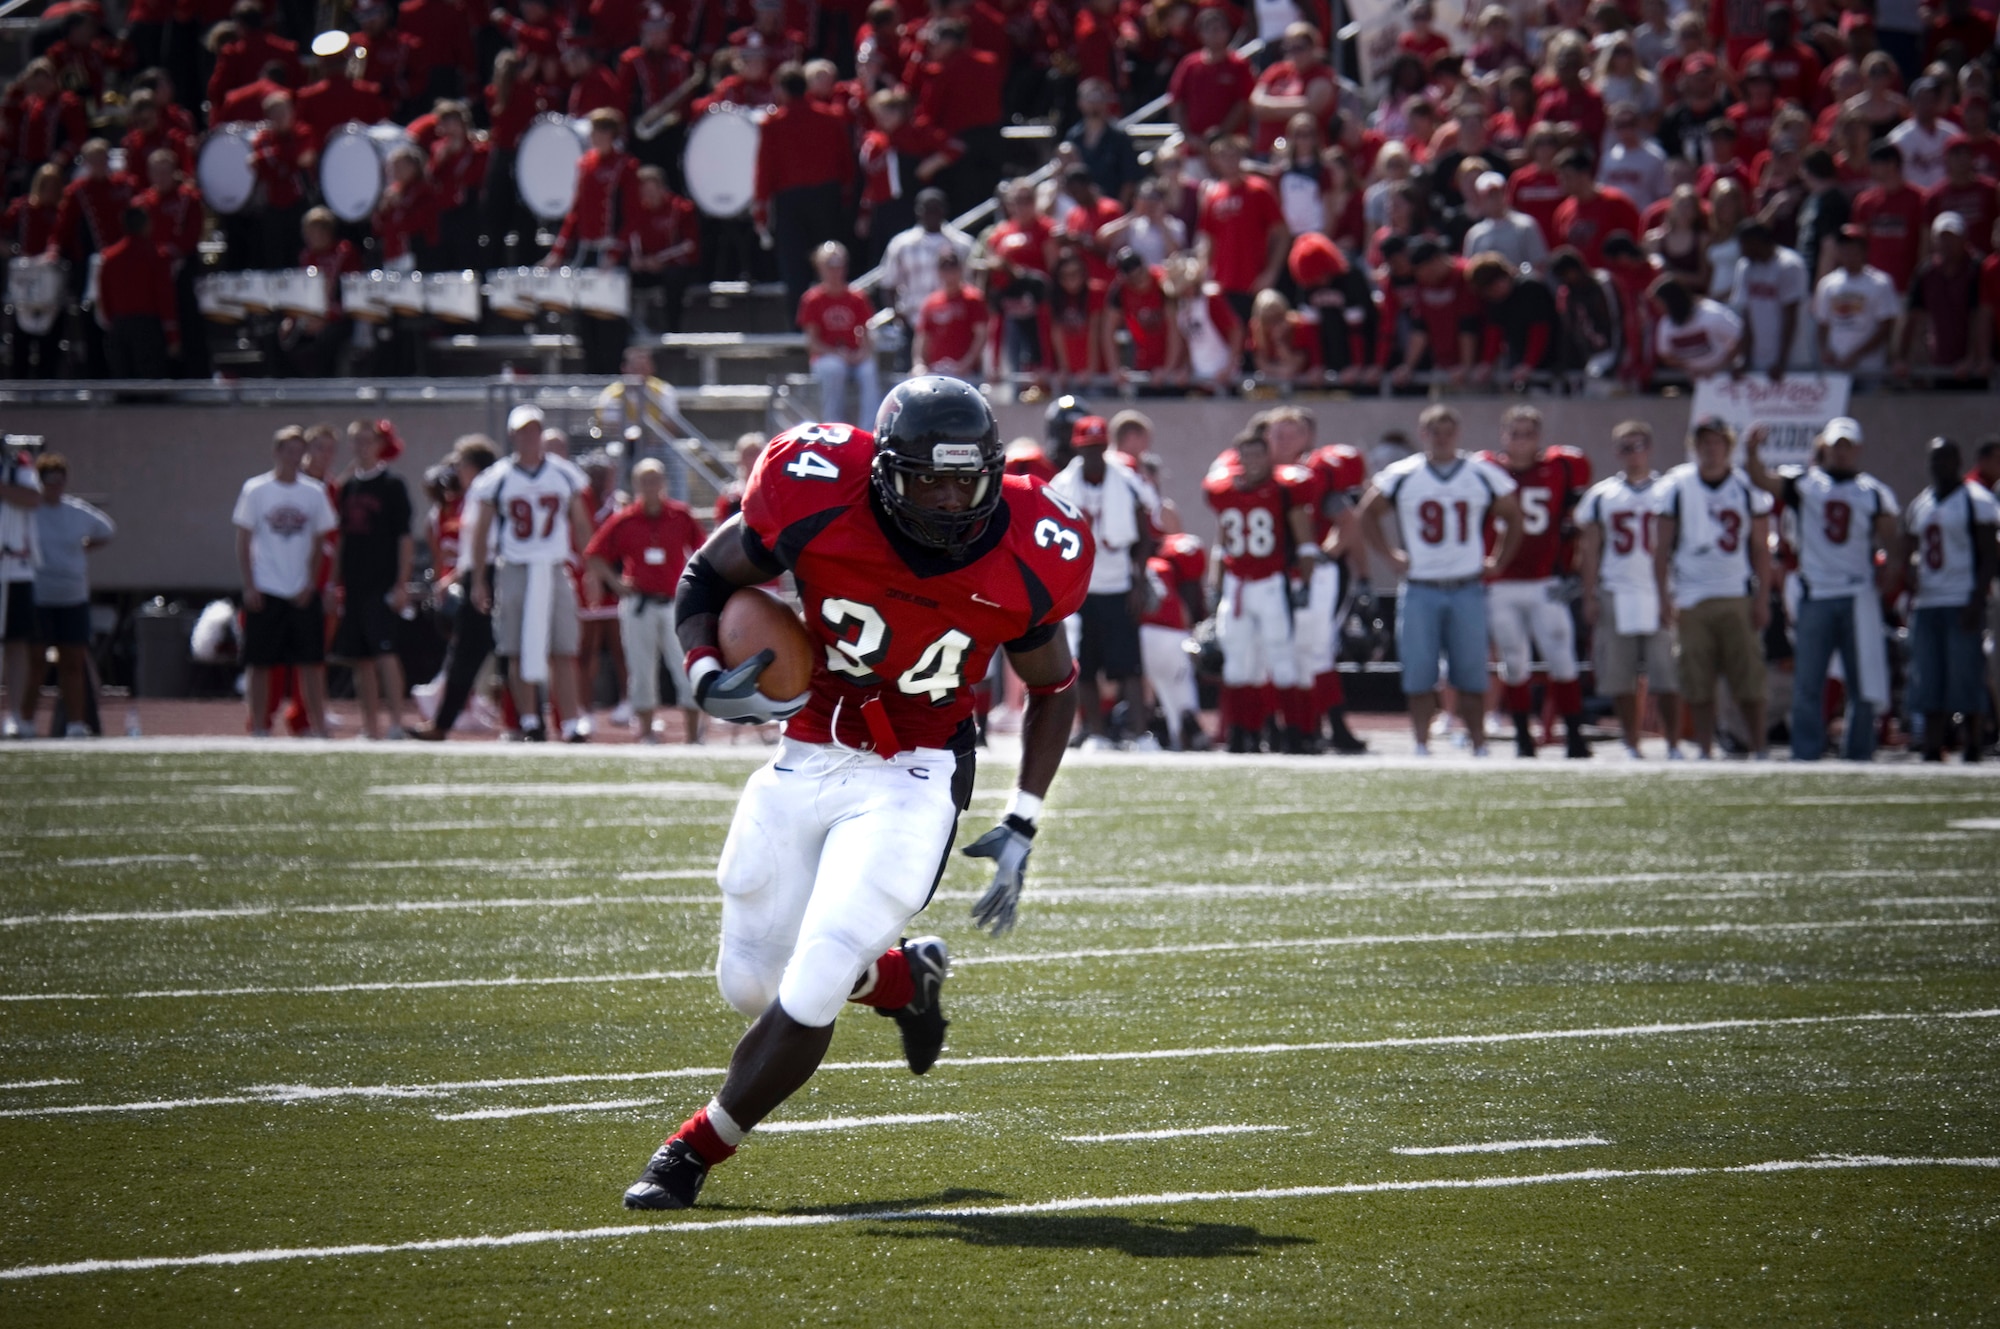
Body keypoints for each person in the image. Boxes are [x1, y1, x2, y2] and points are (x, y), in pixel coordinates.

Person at [620, 377, 1091, 1211]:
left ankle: (692, 1148)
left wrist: (1024, 816)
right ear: (883, 473)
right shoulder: (816, 491)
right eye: (928, 480)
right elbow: (705, 574)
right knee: (751, 982)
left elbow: (1054, 686)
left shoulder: (1031, 544)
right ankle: (904, 981)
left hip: (917, 766)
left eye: (965, 480)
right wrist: (702, 673)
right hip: (811, 742)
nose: (949, 500)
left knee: (816, 974)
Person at [1358, 404, 1522, 757]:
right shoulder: (1404, 473)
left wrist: (1498, 560)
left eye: (1447, 430)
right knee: (1419, 673)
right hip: (1421, 586)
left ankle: (1479, 744)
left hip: (1467, 584)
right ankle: (1421, 744)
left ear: (1457, 434)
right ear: (1423, 434)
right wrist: (1389, 555)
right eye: (1434, 430)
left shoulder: (1481, 472)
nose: (1441, 437)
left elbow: (1513, 515)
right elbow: (1367, 513)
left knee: (1472, 672)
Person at [1745, 418, 1900, 762]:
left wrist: (1891, 568)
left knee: (1862, 682)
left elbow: (1892, 536)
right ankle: (1806, 751)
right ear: (1825, 447)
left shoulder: (1872, 491)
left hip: (1858, 595)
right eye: (1836, 445)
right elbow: (1761, 479)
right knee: (1808, 681)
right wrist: (1752, 451)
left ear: (1857, 449)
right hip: (1816, 594)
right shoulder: (1804, 484)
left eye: (1848, 446)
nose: (1842, 452)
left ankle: (1859, 751)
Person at [462, 405, 596, 742]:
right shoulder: (499, 477)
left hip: (553, 566)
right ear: (512, 435)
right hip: (516, 567)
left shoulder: (564, 473)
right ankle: (529, 720)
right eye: (523, 431)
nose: (529, 437)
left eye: (534, 430)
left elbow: (581, 525)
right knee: (515, 648)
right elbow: (481, 532)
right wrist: (479, 579)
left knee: (563, 649)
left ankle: (568, 722)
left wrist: (590, 569)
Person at [1654, 416, 1775, 760]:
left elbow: (1760, 549)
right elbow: (1660, 548)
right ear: (1695, 446)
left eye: (1717, 442)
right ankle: (1705, 749)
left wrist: (1763, 596)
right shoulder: (1677, 486)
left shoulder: (1745, 488)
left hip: (1736, 591)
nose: (1711, 449)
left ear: (1728, 446)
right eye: (1705, 442)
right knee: (1696, 678)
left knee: (1749, 676)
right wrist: (1664, 597)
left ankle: (1759, 747)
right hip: (1691, 595)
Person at [1479, 405, 1593, 759]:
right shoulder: (1486, 470)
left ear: (1539, 437)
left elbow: (1578, 524)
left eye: (1528, 433)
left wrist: (1574, 568)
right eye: (1515, 433)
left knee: (1563, 659)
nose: (1521, 441)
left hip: (1546, 581)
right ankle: (1522, 737)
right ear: (1503, 435)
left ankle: (1574, 734)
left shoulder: (1560, 467)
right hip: (1502, 583)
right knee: (1513, 662)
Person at [1203, 425, 1320, 753]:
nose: (1253, 460)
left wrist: (1305, 583)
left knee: (1281, 659)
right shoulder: (1224, 490)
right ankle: (1242, 735)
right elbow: (1220, 544)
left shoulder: (1284, 489)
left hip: (1271, 584)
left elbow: (1306, 543)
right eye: (1247, 454)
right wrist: (1216, 586)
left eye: (1259, 454)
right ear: (1238, 458)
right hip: (1238, 586)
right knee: (1237, 664)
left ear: (1269, 457)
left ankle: (1293, 734)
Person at [1049, 415, 1156, 749]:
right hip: (1080, 589)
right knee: (1086, 663)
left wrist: (1139, 580)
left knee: (1129, 665)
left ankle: (1138, 734)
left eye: (1098, 447)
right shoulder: (1062, 484)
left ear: (1106, 446)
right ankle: (1095, 733)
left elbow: (1144, 531)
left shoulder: (1126, 479)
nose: (1094, 454)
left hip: (1118, 584)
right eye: (1087, 448)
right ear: (1077, 448)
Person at [1576, 421, 1680, 760]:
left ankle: (1673, 742)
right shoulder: (1602, 494)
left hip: (1660, 589)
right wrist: (1589, 594)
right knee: (1619, 677)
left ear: (1649, 448)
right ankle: (1631, 741)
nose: (1632, 454)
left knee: (1666, 676)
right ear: (1615, 452)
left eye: (1637, 446)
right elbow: (1590, 550)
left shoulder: (1669, 489)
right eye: (1624, 448)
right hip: (1616, 589)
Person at [584, 457, 704, 743]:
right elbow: (594, 554)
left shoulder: (681, 515)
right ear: (636, 484)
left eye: (655, 479)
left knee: (686, 665)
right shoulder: (626, 519)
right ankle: (647, 733)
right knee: (641, 670)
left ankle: (692, 735)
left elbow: (704, 550)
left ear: (664, 482)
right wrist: (615, 583)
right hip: (639, 604)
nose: (650, 486)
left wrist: (695, 588)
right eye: (644, 480)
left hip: (674, 603)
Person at [233, 427, 339, 740]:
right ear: (277, 452)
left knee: (311, 662)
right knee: (260, 662)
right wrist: (250, 585)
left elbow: (323, 541)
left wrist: (312, 583)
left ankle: (318, 727)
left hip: (302, 590)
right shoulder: (256, 489)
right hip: (266, 587)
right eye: (288, 451)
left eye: (299, 451)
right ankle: (260, 726)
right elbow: (244, 539)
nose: (294, 458)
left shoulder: (314, 492)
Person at [1899, 437, 1997, 762]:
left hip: (1961, 598)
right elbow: (1909, 545)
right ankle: (1931, 744)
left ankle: (1972, 744)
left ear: (1957, 461)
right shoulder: (1921, 503)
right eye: (1934, 460)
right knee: (1928, 674)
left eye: (1945, 459)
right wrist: (1909, 573)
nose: (1939, 466)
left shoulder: (1977, 500)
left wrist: (1976, 599)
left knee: (1965, 673)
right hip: (1928, 600)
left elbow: (1989, 555)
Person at [330, 420, 416, 740]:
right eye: (357, 441)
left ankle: (396, 721)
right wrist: (334, 582)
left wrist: (401, 583)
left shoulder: (393, 485)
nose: (362, 447)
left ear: (380, 445)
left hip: (382, 583)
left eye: (368, 441)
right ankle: (370, 727)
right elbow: (338, 535)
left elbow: (404, 538)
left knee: (385, 654)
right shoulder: (348, 487)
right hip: (354, 583)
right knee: (360, 659)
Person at [411, 437, 501, 741]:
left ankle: (527, 722)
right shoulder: (473, 494)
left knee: (487, 652)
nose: (456, 470)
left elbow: (483, 544)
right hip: (475, 574)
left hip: (488, 574)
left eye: (461, 463)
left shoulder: (488, 489)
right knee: (469, 652)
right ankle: (444, 721)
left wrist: (469, 579)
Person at [754, 62, 855, 312]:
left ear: (782, 90)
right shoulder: (830, 116)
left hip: (790, 201)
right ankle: (836, 313)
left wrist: (761, 209)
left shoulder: (773, 123)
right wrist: (845, 194)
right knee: (831, 260)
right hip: (826, 197)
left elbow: (765, 169)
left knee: (794, 265)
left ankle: (801, 321)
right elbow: (845, 160)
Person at [27, 453, 113, 737]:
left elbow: (107, 530)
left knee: (72, 662)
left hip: (72, 596)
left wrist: (81, 549)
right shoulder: (29, 511)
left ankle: (76, 724)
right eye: (50, 482)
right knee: (36, 661)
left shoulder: (76, 511)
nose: (55, 487)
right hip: (39, 596)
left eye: (59, 482)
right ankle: (25, 721)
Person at [797, 242, 879, 427]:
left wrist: (862, 353)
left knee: (869, 370)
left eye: (839, 265)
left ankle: (870, 429)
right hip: (826, 357)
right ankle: (833, 426)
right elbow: (812, 343)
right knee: (835, 368)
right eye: (830, 266)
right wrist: (837, 353)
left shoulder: (857, 297)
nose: (835, 271)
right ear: (820, 268)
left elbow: (867, 334)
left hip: (853, 355)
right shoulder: (812, 299)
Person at [1813, 224, 1902, 373]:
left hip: (1869, 367)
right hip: (1837, 366)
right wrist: (1825, 350)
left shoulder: (1880, 282)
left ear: (1863, 251)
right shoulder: (1828, 283)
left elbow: (1886, 327)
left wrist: (1856, 355)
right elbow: (1822, 323)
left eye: (1852, 247)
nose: (1847, 252)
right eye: (1843, 247)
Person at [0, 439, 40, 739]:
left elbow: (32, 498)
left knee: (16, 642)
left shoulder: (17, 468)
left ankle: (14, 713)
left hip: (13, 568)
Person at [912, 250, 987, 380]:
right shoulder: (931, 302)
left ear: (960, 270)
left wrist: (966, 364)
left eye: (953, 270)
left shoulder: (973, 299)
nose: (950, 275)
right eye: (945, 270)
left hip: (965, 372)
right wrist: (919, 364)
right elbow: (922, 337)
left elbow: (981, 335)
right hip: (935, 370)